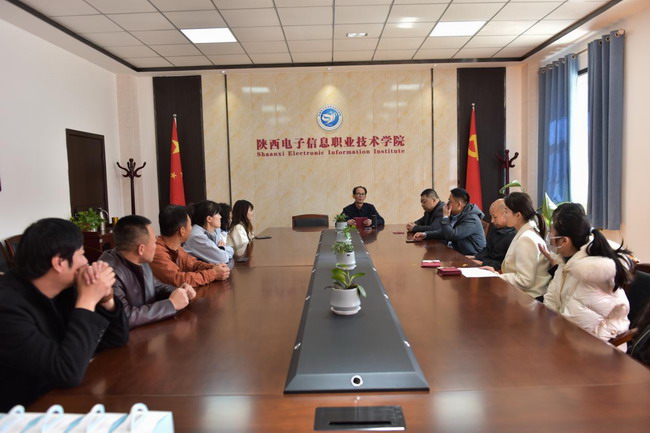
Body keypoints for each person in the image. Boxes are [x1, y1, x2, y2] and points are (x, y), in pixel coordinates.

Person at [0, 218, 129, 410]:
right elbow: (67, 372)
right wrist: (87, 300)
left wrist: (106, 298)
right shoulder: (7, 307)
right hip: (24, 411)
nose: (86, 262)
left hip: (63, 400)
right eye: (82, 254)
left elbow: (117, 339)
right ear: (59, 262)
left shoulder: (66, 288)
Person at [542, 204, 632, 350]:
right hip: (573, 338)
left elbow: (575, 327)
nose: (549, 237)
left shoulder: (593, 274)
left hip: (600, 350)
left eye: (551, 232)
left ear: (564, 241)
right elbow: (551, 300)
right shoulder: (568, 261)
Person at [100, 215, 196, 329]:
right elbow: (125, 317)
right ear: (141, 249)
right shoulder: (109, 273)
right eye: (154, 242)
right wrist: (170, 305)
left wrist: (181, 291)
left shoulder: (140, 261)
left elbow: (157, 287)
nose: (156, 246)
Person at [481, 192, 550, 299]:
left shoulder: (526, 238)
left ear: (518, 215)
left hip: (528, 298)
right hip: (519, 294)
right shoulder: (523, 233)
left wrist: (496, 276)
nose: (504, 215)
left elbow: (525, 280)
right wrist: (496, 273)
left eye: (506, 212)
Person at [151, 205, 230, 286]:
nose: (192, 228)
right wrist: (213, 273)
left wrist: (213, 267)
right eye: (190, 225)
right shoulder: (157, 252)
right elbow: (179, 279)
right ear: (182, 231)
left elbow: (192, 264)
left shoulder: (176, 247)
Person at [413, 188, 486, 255]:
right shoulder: (456, 214)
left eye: (450, 201)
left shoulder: (471, 219)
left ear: (459, 205)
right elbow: (445, 232)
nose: (447, 204)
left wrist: (445, 217)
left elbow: (452, 235)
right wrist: (426, 234)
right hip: (456, 252)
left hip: (471, 256)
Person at [471, 199, 516, 270]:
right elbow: (487, 250)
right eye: (491, 216)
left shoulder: (513, 235)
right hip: (487, 265)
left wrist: (483, 263)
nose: (492, 221)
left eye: (495, 217)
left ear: (506, 214)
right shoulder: (496, 228)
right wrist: (475, 257)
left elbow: (504, 264)